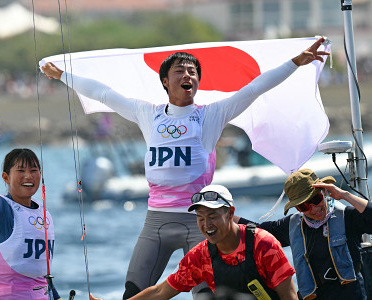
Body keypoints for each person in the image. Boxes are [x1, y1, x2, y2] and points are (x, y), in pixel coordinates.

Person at [42, 38, 329, 298]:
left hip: (200, 223)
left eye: (192, 72)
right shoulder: (148, 114)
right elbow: (103, 93)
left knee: (205, 296)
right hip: (155, 223)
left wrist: (296, 62)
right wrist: (62, 75)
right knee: (132, 294)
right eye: (180, 71)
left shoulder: (211, 115)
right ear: (165, 81)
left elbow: (254, 88)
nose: (188, 75)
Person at [90, 184, 298, 300]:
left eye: (213, 216)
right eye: (200, 218)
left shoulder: (263, 244)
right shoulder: (200, 257)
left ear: (231, 213)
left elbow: (289, 297)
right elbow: (160, 291)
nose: (207, 224)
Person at [236, 168, 372, 299]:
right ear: (297, 208)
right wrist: (226, 217)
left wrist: (345, 195)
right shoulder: (292, 225)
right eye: (304, 206)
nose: (313, 209)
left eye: (315, 199)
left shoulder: (346, 216)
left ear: (324, 192)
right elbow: (255, 232)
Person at [0, 113, 61, 299]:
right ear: (6, 177)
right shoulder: (0, 212)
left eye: (34, 170)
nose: (28, 177)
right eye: (21, 171)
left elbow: (42, 276)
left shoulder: (43, 213)